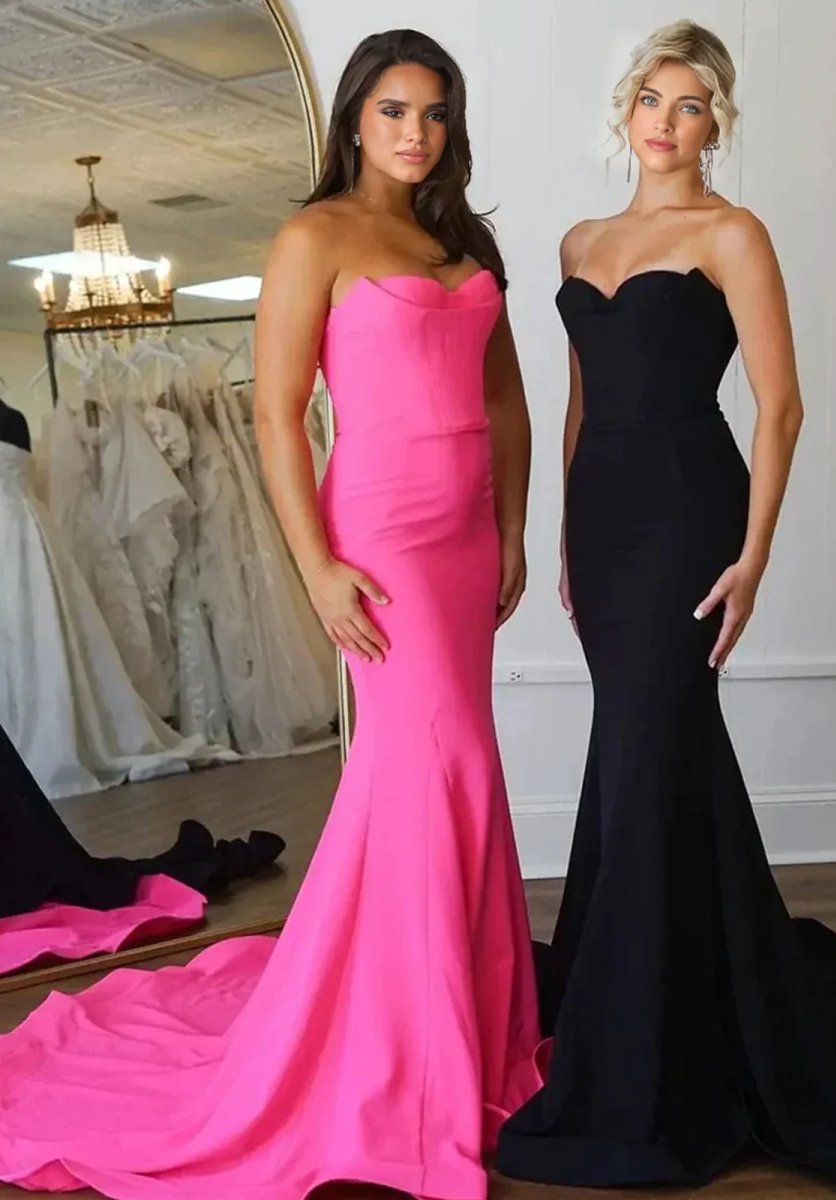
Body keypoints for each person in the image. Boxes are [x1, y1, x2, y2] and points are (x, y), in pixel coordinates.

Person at [0, 29, 541, 1200]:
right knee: (429, 762)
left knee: (457, 768)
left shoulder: (464, 239)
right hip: (385, 531)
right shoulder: (314, 237)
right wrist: (318, 566)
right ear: (355, 120)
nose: (415, 132)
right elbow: (277, 414)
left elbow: (506, 399)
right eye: (393, 111)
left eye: (434, 113)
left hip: (465, 534)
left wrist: (512, 528)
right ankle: (410, 1052)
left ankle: (468, 1022)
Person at [496, 19, 836, 1200]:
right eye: (653, 99)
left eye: (691, 104)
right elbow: (578, 406)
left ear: (717, 120)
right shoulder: (580, 241)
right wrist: (562, 535)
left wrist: (755, 556)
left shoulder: (732, 233)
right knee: (647, 753)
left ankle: (650, 1023)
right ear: (627, 110)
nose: (668, 121)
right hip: (605, 522)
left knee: (651, 744)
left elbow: (781, 407)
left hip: (689, 511)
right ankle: (692, 973)